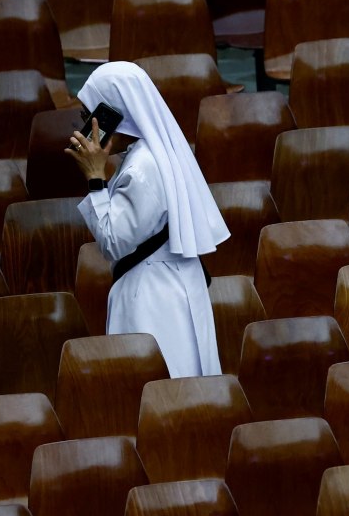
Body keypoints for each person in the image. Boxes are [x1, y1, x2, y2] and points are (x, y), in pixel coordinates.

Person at [64, 60, 227, 378]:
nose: (86, 130)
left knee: (163, 393)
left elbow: (114, 242)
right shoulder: (156, 154)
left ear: (117, 117)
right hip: (171, 282)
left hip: (155, 297)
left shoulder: (142, 168)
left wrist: (96, 179)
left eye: (90, 119)